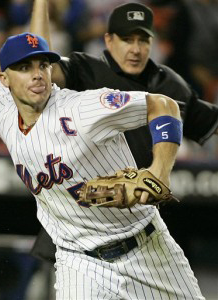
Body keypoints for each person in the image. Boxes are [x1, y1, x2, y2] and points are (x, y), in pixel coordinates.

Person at [0, 31, 204, 299]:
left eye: (43, 65)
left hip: (147, 248)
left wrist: (160, 171)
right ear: (4, 80)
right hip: (79, 261)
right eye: (24, 67)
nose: (37, 74)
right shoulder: (3, 108)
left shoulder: (83, 109)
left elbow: (163, 105)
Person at [28, 0, 218, 263]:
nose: (136, 49)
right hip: (80, 223)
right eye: (127, 39)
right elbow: (38, 65)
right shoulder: (85, 70)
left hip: (138, 227)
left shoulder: (168, 84)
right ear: (109, 40)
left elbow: (211, 121)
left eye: (143, 40)